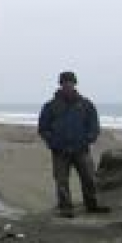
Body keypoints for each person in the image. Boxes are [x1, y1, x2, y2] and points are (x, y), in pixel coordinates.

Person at [38, 71, 110, 218]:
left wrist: (88, 139)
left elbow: (94, 126)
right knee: (61, 181)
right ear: (60, 84)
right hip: (60, 151)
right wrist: (53, 142)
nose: (67, 85)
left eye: (70, 82)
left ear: (75, 83)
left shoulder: (86, 104)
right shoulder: (50, 106)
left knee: (89, 178)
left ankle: (92, 205)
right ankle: (65, 208)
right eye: (64, 82)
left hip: (81, 149)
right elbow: (43, 128)